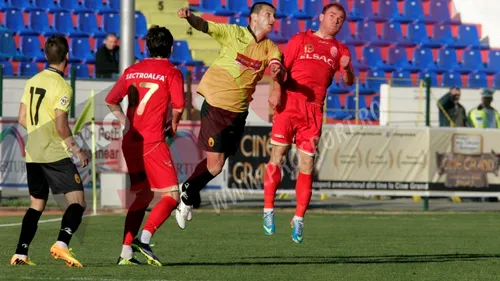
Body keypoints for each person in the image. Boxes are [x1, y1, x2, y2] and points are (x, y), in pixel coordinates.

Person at [174, 2, 285, 229]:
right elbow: (204, 25)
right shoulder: (233, 32)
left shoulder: (271, 47)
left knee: (220, 163)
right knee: (215, 166)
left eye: (274, 16)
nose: (273, 19)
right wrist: (189, 17)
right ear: (254, 18)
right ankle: (186, 193)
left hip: (239, 112)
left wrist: (277, 73)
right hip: (216, 104)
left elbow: (277, 66)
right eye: (268, 15)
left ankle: (188, 190)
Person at [262, 3, 354, 244]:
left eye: (340, 19)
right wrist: (276, 91)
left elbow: (349, 82)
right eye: (332, 16)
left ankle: (299, 218)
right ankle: (268, 210)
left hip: (314, 111)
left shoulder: (340, 49)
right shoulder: (300, 38)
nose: (336, 21)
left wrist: (346, 70)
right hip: (290, 104)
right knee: (277, 155)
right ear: (321, 16)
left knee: (307, 164)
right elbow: (280, 68)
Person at [105, 25, 185, 266]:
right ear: (170, 48)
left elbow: (111, 101)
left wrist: (125, 122)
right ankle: (145, 238)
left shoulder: (132, 70)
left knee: (142, 196)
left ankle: (125, 253)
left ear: (147, 46)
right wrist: (173, 127)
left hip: (130, 142)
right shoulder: (172, 72)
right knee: (172, 195)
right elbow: (179, 107)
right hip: (152, 142)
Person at [11, 34, 89, 267]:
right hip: (53, 151)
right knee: (78, 201)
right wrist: (77, 150)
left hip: (33, 151)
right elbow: (61, 125)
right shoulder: (62, 85)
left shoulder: (32, 80)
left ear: (46, 56)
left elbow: (22, 118)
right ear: (67, 57)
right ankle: (61, 244)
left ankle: (20, 253)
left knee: (37, 204)